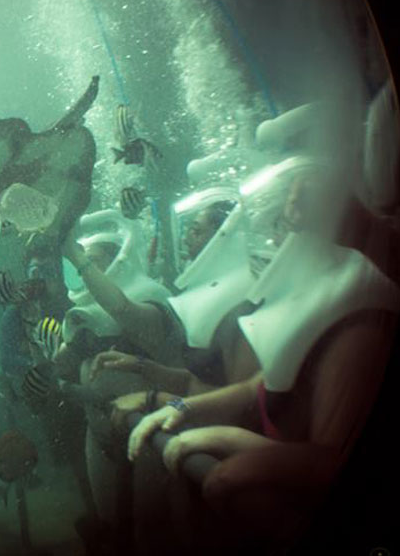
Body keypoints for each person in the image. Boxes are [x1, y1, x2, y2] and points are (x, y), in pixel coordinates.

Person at [127, 159, 400, 548]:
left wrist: (223, 439)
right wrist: (181, 409)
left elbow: (337, 461)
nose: (270, 241)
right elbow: (257, 386)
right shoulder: (311, 306)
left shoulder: (357, 325)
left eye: (279, 226)